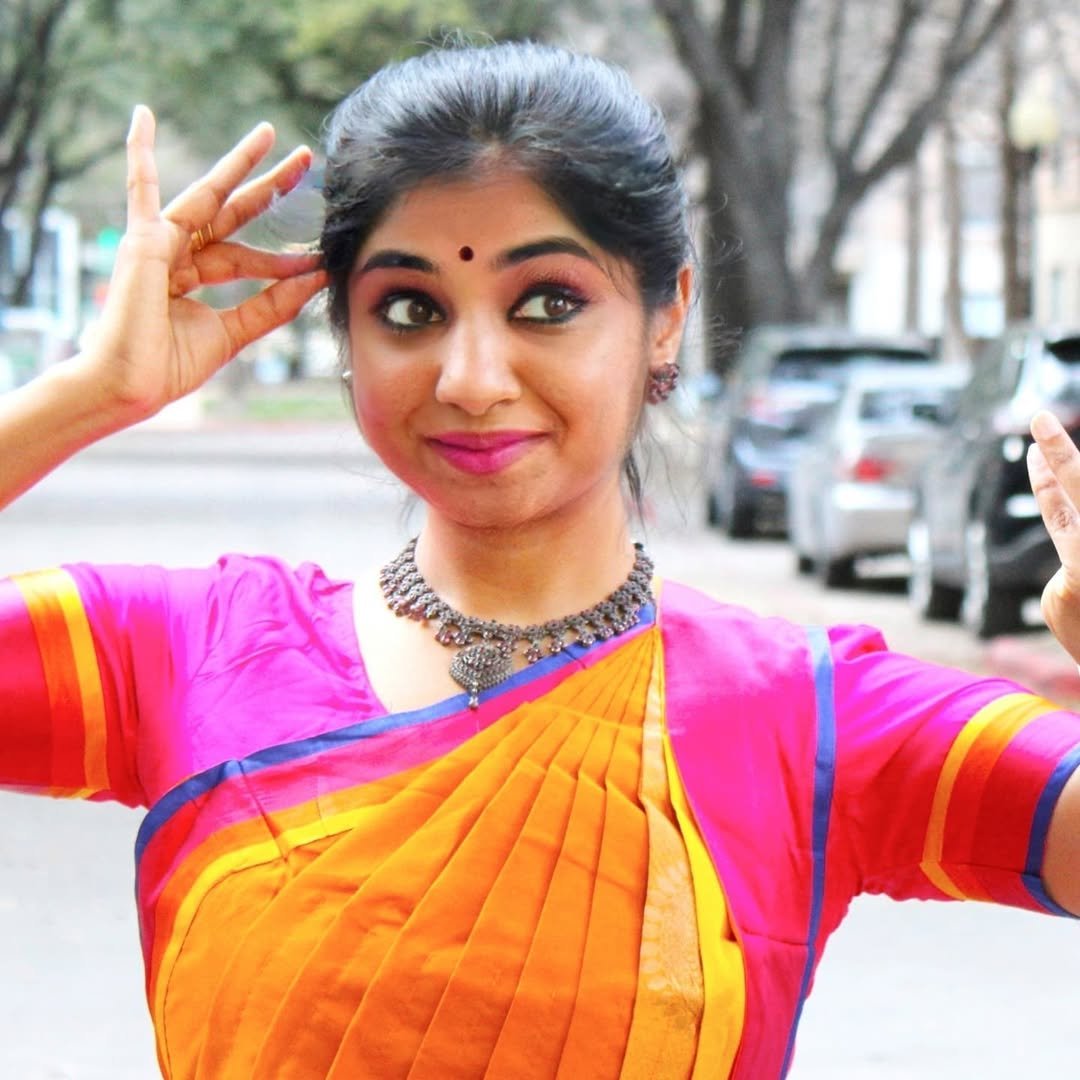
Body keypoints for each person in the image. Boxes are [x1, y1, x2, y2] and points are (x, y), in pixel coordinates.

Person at [1, 40, 1078, 1080]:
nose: (471, 378)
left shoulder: (811, 718)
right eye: (409, 309)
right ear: (346, 332)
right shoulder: (188, 652)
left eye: (549, 304)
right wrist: (89, 395)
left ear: (668, 318)